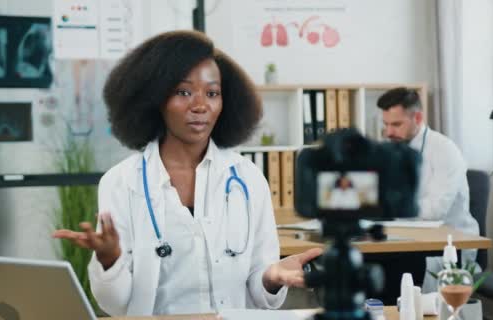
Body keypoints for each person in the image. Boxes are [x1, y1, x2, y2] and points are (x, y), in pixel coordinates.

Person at [53, 30, 322, 316]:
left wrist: (272, 278)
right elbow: (115, 305)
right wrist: (110, 260)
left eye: (212, 93)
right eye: (183, 92)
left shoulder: (248, 179)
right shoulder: (121, 182)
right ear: (156, 98)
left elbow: (262, 294)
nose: (200, 105)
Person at [377, 87, 479, 292]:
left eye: (396, 124)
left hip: (447, 247)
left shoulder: (444, 150)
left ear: (418, 117)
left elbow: (435, 210)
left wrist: (391, 207)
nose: (389, 132)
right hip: (403, 239)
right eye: (386, 124)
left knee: (383, 269)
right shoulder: (391, 149)